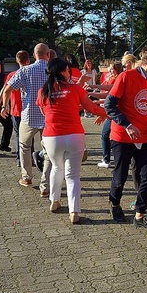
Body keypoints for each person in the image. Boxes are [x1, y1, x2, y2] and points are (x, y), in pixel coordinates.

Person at [104, 45, 147, 230]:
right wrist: (127, 125)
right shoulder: (126, 77)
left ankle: (140, 214)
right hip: (122, 137)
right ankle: (115, 204)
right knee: (121, 175)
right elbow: (109, 106)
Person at [36, 58, 107, 224]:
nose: (70, 73)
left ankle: (54, 201)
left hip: (51, 135)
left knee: (56, 168)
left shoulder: (43, 91)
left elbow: (44, 111)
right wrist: (107, 113)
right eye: (68, 70)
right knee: (73, 175)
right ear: (62, 72)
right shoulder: (75, 89)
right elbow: (92, 108)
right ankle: (74, 211)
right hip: (74, 134)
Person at [1, 43, 53, 198]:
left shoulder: (25, 70)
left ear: (34, 55)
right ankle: (46, 185)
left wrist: (5, 106)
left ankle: (27, 177)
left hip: (28, 116)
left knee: (24, 146)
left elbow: (8, 89)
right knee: (49, 151)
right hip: (48, 116)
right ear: (48, 55)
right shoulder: (52, 70)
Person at [96, 61, 125, 168]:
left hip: (114, 112)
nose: (109, 71)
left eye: (112, 69)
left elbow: (108, 95)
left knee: (105, 135)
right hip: (114, 111)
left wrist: (91, 93)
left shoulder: (115, 79)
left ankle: (106, 159)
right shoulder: (116, 78)